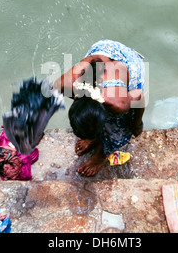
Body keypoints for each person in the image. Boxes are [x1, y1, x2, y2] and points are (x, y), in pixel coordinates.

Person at [54, 39, 146, 176]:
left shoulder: (118, 103)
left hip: (129, 62)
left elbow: (139, 96)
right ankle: (93, 136)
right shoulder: (63, 85)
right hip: (102, 51)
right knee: (91, 120)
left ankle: (101, 155)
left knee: (121, 127)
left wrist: (137, 125)